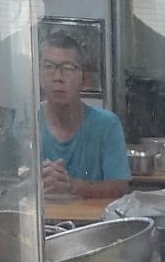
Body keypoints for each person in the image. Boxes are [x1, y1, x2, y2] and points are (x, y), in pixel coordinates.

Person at [39, 32, 130, 201]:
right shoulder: (28, 123)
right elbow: (8, 185)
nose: (57, 78)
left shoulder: (106, 124)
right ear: (39, 75)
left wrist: (71, 186)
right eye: (49, 67)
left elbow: (120, 187)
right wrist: (37, 182)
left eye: (68, 68)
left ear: (84, 79)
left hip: (92, 218)